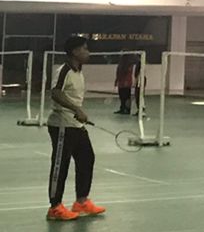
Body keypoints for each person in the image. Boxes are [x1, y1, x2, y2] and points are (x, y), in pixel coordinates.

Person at [45, 36, 105, 221]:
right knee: (60, 165)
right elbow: (55, 93)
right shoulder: (64, 71)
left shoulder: (79, 72)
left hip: (76, 125)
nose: (88, 52)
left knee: (87, 158)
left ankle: (81, 201)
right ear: (74, 51)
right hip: (62, 125)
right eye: (84, 49)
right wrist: (76, 109)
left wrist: (78, 112)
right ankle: (55, 207)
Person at [114, 52, 142, 116]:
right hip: (121, 82)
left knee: (127, 96)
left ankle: (127, 109)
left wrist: (129, 82)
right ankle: (122, 108)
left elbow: (131, 73)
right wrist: (117, 81)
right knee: (122, 96)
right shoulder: (121, 64)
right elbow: (118, 73)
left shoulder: (130, 64)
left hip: (126, 82)